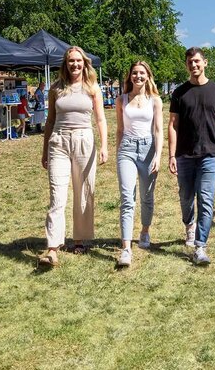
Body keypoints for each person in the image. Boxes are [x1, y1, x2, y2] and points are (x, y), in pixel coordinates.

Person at [39, 46, 108, 267]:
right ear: (65, 64)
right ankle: (52, 248)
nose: (75, 65)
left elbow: (100, 119)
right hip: (58, 142)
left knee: (83, 191)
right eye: (71, 61)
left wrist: (104, 146)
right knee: (57, 195)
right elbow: (49, 120)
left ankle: (79, 239)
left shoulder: (92, 87)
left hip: (83, 141)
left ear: (84, 63)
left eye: (78, 61)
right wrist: (44, 150)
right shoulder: (56, 88)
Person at [168, 47, 215, 265]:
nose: (193, 65)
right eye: (189, 62)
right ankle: (189, 225)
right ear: (186, 65)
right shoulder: (179, 92)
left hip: (210, 155)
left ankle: (200, 246)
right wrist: (171, 155)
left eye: (196, 61)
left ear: (205, 63)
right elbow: (172, 125)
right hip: (184, 154)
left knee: (206, 199)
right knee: (186, 197)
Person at [116, 61, 163, 267]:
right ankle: (126, 248)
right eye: (134, 73)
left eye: (142, 73)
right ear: (130, 76)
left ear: (148, 76)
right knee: (127, 198)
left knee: (146, 196)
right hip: (126, 149)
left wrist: (159, 156)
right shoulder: (122, 99)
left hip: (148, 149)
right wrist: (118, 151)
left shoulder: (155, 101)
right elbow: (119, 129)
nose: (138, 76)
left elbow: (159, 130)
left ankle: (144, 231)